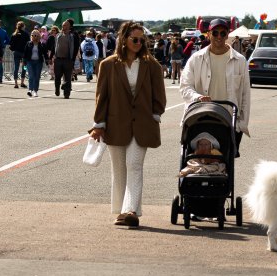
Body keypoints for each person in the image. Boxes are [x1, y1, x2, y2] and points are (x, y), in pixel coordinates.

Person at [89, 21, 166, 228]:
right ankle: (121, 211)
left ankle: (130, 210)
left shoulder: (152, 65)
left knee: (134, 165)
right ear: (123, 39)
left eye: (142, 40)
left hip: (143, 124)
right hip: (115, 123)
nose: (139, 43)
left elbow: (159, 95)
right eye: (135, 39)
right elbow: (102, 97)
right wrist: (99, 123)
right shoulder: (108, 65)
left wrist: (155, 114)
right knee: (119, 169)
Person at [179, 18, 251, 153]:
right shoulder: (196, 59)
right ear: (208, 34)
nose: (219, 36)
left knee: (226, 161)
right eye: (215, 33)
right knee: (194, 160)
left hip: (229, 121)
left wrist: (242, 124)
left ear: (227, 35)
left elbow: (245, 95)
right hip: (199, 118)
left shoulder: (240, 61)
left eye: (223, 33)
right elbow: (185, 87)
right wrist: (197, 97)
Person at [50, 19, 78, 99]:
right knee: (57, 77)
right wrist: (50, 57)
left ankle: (67, 93)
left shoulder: (72, 36)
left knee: (67, 78)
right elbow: (54, 47)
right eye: (62, 25)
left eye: (65, 25)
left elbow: (76, 48)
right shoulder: (58, 35)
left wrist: (73, 59)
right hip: (58, 59)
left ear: (69, 26)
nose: (63, 27)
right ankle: (57, 88)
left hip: (68, 60)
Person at [23, 28, 46, 97]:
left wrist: (48, 60)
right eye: (32, 35)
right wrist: (24, 61)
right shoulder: (28, 43)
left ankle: (35, 91)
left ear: (38, 36)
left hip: (38, 62)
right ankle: (30, 90)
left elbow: (44, 53)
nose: (33, 36)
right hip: (30, 61)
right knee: (31, 76)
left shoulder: (41, 44)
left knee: (37, 77)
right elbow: (25, 53)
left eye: (35, 35)